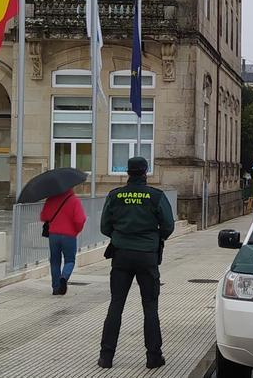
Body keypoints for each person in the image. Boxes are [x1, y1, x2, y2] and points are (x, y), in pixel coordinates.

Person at [98, 156, 175, 370]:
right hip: (147, 256)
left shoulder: (115, 196)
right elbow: (168, 226)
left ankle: (106, 357)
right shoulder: (155, 196)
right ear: (145, 172)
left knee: (116, 304)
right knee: (150, 306)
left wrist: (121, 235)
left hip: (121, 255)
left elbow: (105, 227)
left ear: (128, 172)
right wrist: (155, 238)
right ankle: (153, 357)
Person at [40, 187, 86, 295]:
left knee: (55, 261)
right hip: (69, 235)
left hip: (53, 235)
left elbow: (44, 216)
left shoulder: (51, 199)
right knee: (69, 260)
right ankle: (64, 278)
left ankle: (56, 288)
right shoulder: (74, 200)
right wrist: (76, 231)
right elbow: (80, 220)